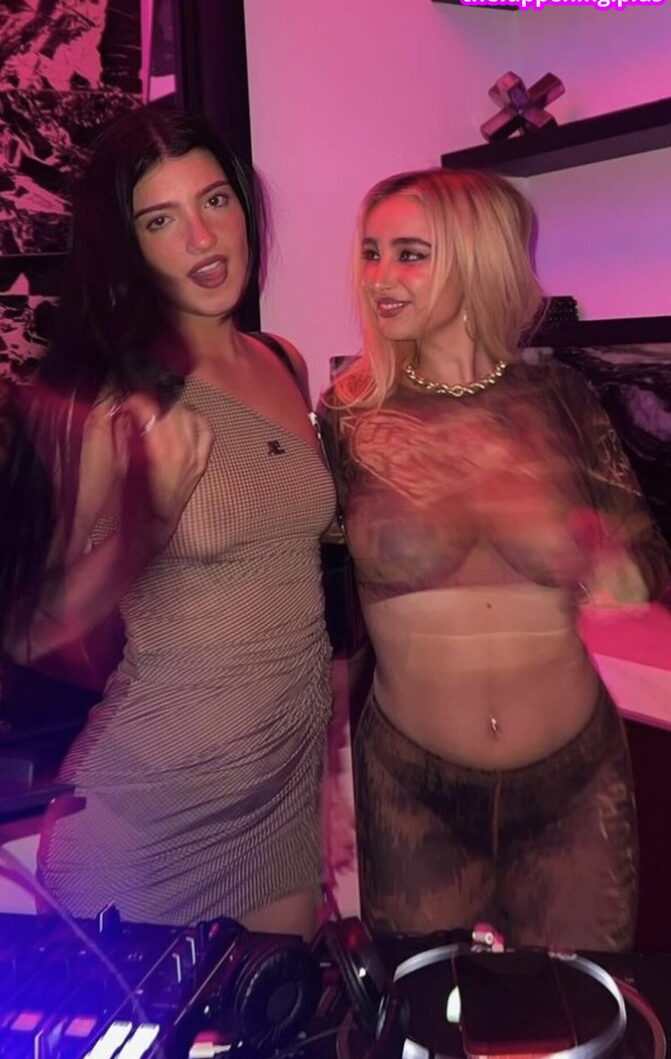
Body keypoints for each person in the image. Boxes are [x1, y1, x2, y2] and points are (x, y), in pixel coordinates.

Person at [0, 106, 335, 938]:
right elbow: (31, 629)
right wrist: (146, 524)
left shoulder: (282, 361)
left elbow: (299, 590)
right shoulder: (114, 403)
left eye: (214, 200)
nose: (201, 237)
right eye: (161, 220)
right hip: (145, 818)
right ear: (129, 246)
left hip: (280, 805)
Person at [319, 167, 669, 951]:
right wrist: (322, 775)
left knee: (581, 1007)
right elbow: (324, 616)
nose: (379, 277)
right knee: (421, 1006)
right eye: (371, 252)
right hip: (412, 788)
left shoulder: (560, 399)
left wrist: (618, 567)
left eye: (409, 254)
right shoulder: (351, 412)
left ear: (476, 258)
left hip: (576, 783)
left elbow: (647, 556)